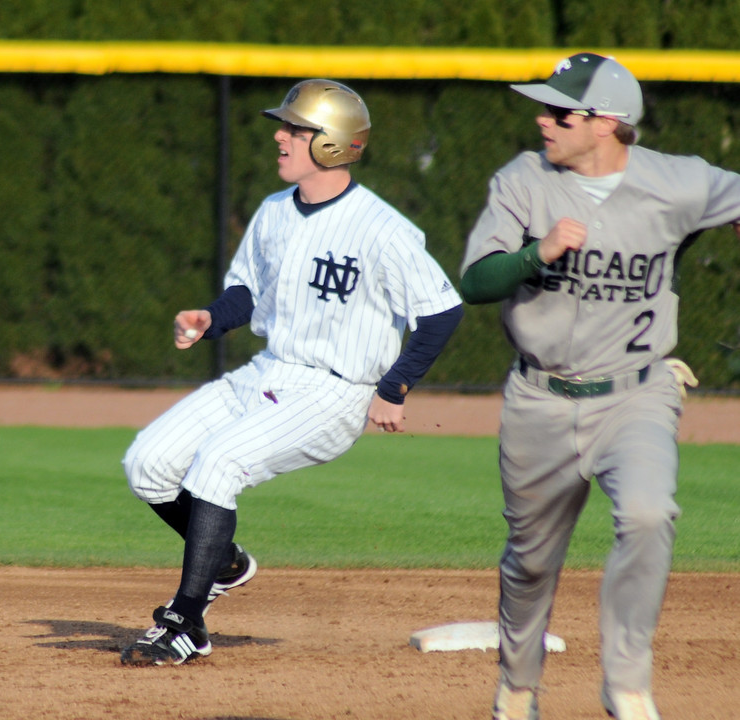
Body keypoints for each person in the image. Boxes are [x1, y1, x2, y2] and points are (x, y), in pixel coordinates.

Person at [120, 78, 463, 666]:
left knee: (217, 464)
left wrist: (393, 387)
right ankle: (224, 561)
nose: (280, 136)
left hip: (334, 391)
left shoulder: (382, 229)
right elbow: (248, 292)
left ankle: (186, 622)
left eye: (295, 129)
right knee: (147, 464)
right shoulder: (275, 212)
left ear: (331, 143)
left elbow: (441, 312)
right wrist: (211, 318)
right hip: (267, 372)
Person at [459, 52, 740, 720]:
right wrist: (537, 254)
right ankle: (519, 684)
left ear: (607, 122)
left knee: (648, 513)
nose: (543, 119)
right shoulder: (523, 180)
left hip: (636, 393)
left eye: (559, 110)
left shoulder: (678, 182)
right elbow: (474, 281)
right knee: (529, 562)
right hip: (539, 398)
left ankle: (627, 685)